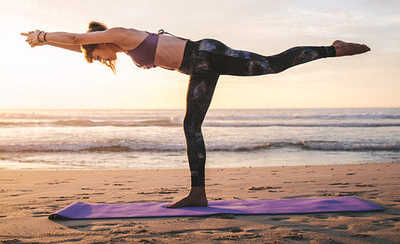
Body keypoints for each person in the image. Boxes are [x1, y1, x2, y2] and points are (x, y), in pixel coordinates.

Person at [21, 23, 370, 208]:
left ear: (99, 44)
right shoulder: (122, 47)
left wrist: (42, 35)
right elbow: (76, 43)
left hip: (206, 54)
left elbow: (76, 38)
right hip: (198, 68)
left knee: (271, 64)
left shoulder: (119, 35)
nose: (102, 60)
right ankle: (198, 193)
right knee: (191, 125)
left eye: (97, 56)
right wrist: (48, 43)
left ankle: (332, 49)